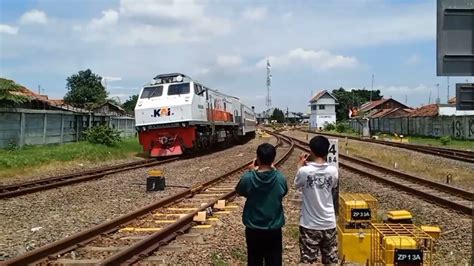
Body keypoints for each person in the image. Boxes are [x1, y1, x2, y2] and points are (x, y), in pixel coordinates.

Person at [235, 143, 288, 266]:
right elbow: (283, 192)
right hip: (274, 228)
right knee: (274, 260)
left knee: (254, 259)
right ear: (273, 159)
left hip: (253, 227)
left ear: (257, 158)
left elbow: (239, 190)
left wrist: (251, 172)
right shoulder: (280, 178)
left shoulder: (248, 178)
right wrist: (274, 170)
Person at [294, 136, 339, 265]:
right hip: (329, 223)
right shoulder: (333, 171)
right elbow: (333, 186)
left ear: (311, 151)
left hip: (309, 224)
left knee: (307, 261)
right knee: (331, 261)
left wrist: (299, 165)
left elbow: (296, 184)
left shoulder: (304, 171)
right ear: (328, 152)